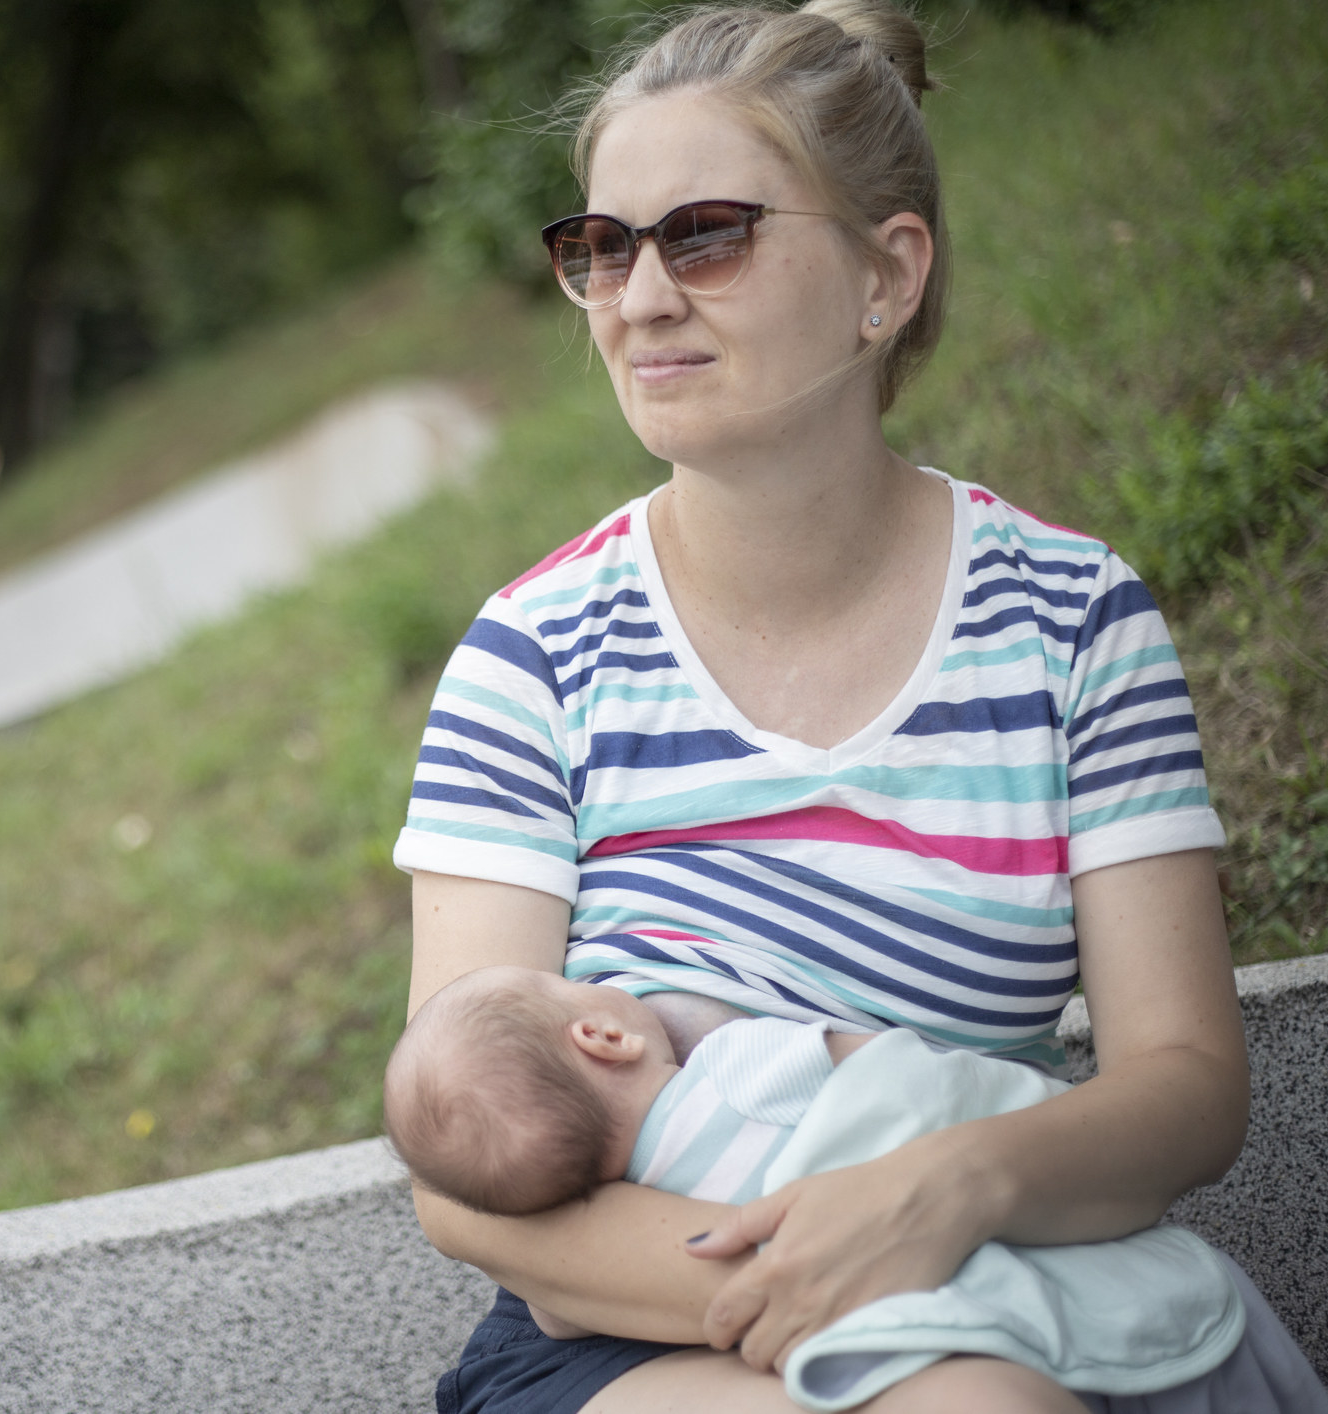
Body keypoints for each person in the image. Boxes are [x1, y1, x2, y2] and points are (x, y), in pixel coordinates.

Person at [390, 1, 1314, 1409]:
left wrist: (947, 1188)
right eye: (601, 248)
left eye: (706, 233)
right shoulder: (533, 658)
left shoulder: (1072, 624)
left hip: (1008, 1266)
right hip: (627, 1332)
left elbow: (1187, 1085)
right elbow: (465, 1188)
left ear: (886, 274)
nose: (640, 297)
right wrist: (838, 1277)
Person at [383, 966, 1289, 1412]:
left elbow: (556, 1310)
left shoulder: (611, 1218)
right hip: (902, 1269)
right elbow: (901, 1081)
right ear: (604, 1036)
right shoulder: (738, 1061)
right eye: (585, 981)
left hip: (801, 1324)